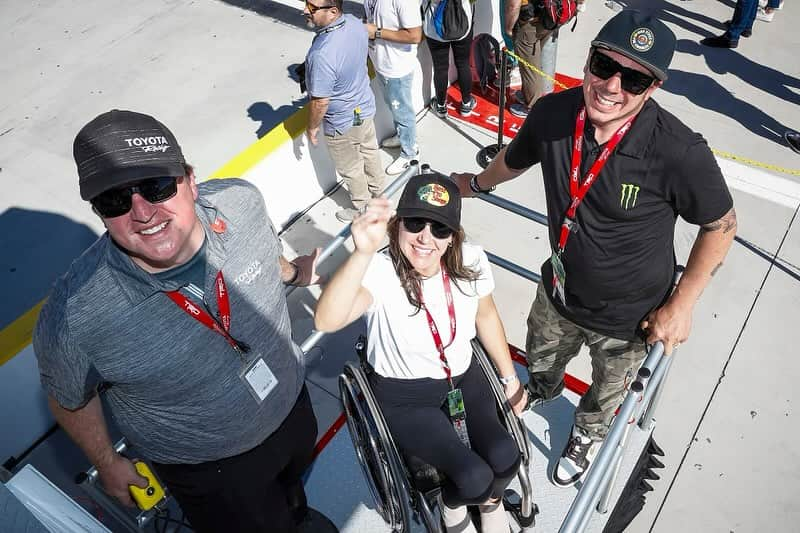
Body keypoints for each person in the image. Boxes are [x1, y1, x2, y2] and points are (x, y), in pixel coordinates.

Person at [452, 10, 737, 487]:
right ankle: (542, 390)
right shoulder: (552, 114)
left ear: (653, 88)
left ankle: (585, 435)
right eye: (604, 66)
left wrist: (682, 305)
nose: (612, 86)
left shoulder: (678, 150)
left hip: (629, 319)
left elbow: (721, 225)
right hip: (559, 293)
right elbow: (515, 160)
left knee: (607, 394)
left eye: (634, 78)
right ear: (587, 62)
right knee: (541, 360)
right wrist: (476, 185)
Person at [34, 110, 323, 533]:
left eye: (156, 187)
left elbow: (261, 251)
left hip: (292, 407)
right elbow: (67, 395)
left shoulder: (241, 204)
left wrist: (296, 273)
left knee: (294, 491)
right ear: (99, 212)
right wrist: (107, 461)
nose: (143, 213)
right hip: (213, 470)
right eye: (115, 200)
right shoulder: (75, 314)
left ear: (189, 180)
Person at [315, 174, 527, 532]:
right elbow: (326, 319)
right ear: (397, 226)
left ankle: (491, 504)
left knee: (506, 457)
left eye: (440, 228)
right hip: (406, 396)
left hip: (464, 378)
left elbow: (487, 315)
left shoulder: (471, 260)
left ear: (453, 237)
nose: (426, 237)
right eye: (415, 223)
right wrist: (363, 252)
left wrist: (509, 379)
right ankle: (453, 505)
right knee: (473, 476)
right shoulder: (380, 273)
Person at [304, 0, 385, 223]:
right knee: (370, 152)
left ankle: (362, 208)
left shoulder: (321, 55)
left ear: (332, 11)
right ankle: (380, 194)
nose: (305, 11)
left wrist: (311, 127)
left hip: (341, 123)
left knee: (351, 168)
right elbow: (370, 33)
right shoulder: (352, 22)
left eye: (311, 8)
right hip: (364, 108)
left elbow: (320, 102)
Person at [363, 0, 423, 175]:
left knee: (402, 111)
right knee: (394, 107)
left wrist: (377, 32)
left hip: (396, 67)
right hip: (381, 62)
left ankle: (410, 153)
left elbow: (414, 36)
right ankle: (403, 136)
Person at [422, 0, 478, 119]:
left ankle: (441, 106)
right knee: (463, 63)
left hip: (434, 26)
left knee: (440, 68)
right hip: (463, 22)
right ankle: (466, 105)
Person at [505, 0, 556, 118]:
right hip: (552, 15)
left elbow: (513, 4)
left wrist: (509, 27)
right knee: (532, 59)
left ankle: (532, 108)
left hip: (530, 21)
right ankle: (526, 93)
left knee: (529, 67)